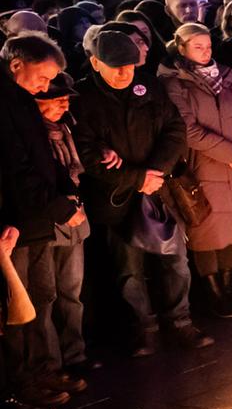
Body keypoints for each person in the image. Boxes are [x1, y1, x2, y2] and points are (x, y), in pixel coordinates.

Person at [71, 31, 210, 356]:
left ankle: (181, 322)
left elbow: (175, 130)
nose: (124, 73)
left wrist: (156, 171)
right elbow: (86, 155)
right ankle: (143, 328)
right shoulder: (84, 98)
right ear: (95, 63)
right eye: (115, 66)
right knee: (128, 270)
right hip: (117, 199)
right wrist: (135, 178)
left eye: (129, 66)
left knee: (176, 261)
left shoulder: (149, 86)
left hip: (159, 189)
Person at [2, 35, 85, 408]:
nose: (46, 87)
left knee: (42, 296)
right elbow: (15, 168)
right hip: (14, 222)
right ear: (17, 63)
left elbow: (43, 157)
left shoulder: (21, 99)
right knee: (16, 306)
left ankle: (41, 368)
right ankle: (18, 383)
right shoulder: (4, 103)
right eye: (43, 77)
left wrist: (65, 189)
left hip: (37, 220)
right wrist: (60, 208)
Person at [162, 22, 232, 319]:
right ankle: (213, 292)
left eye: (208, 46)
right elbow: (189, 130)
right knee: (208, 230)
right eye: (198, 47)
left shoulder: (225, 78)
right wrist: (230, 153)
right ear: (181, 48)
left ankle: (229, 286)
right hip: (205, 166)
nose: (206, 52)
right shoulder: (176, 83)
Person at [32, 73, 93, 379]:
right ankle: (50, 363)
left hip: (74, 214)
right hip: (46, 219)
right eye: (54, 96)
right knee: (46, 294)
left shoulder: (68, 128)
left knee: (72, 289)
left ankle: (75, 352)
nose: (63, 102)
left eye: (66, 97)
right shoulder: (29, 133)